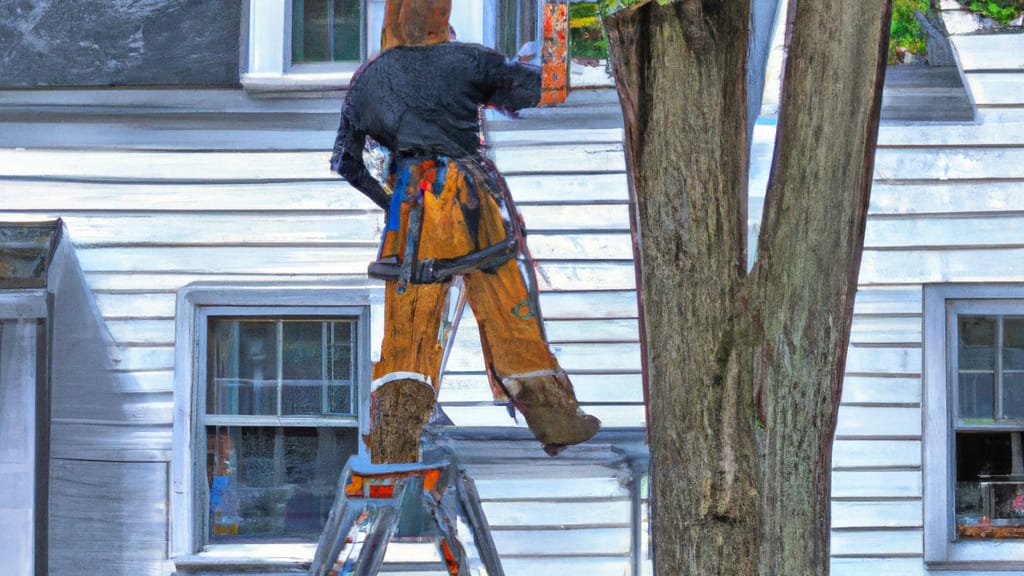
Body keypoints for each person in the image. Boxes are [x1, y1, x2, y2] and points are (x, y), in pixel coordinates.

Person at [331, 0, 598, 464]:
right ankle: (555, 420)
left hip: (408, 207)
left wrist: (393, 200)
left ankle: (395, 445)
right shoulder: (468, 61)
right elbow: (547, 88)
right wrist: (561, 26)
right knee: (507, 308)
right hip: (467, 198)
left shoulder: (367, 81)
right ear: (439, 17)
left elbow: (345, 163)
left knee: (407, 327)